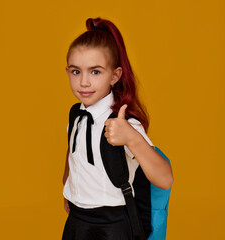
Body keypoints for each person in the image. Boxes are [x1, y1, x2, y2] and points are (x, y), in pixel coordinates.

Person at [61, 17, 174, 240]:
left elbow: (165, 178)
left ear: (115, 76)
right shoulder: (76, 115)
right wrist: (70, 189)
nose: (84, 82)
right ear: (67, 72)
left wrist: (131, 138)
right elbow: (74, 151)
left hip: (112, 225)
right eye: (76, 71)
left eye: (95, 72)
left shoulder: (124, 123)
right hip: (77, 219)